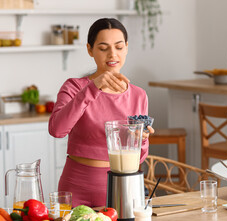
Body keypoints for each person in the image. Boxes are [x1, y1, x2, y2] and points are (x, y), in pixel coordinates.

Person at [49, 18, 154, 207]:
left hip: (120, 189)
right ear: (90, 49)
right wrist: (93, 88)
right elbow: (57, 130)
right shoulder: (73, 87)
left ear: (127, 48)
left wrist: (142, 138)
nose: (112, 54)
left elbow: (138, 157)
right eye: (103, 48)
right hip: (75, 187)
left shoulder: (139, 95)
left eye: (119, 47)